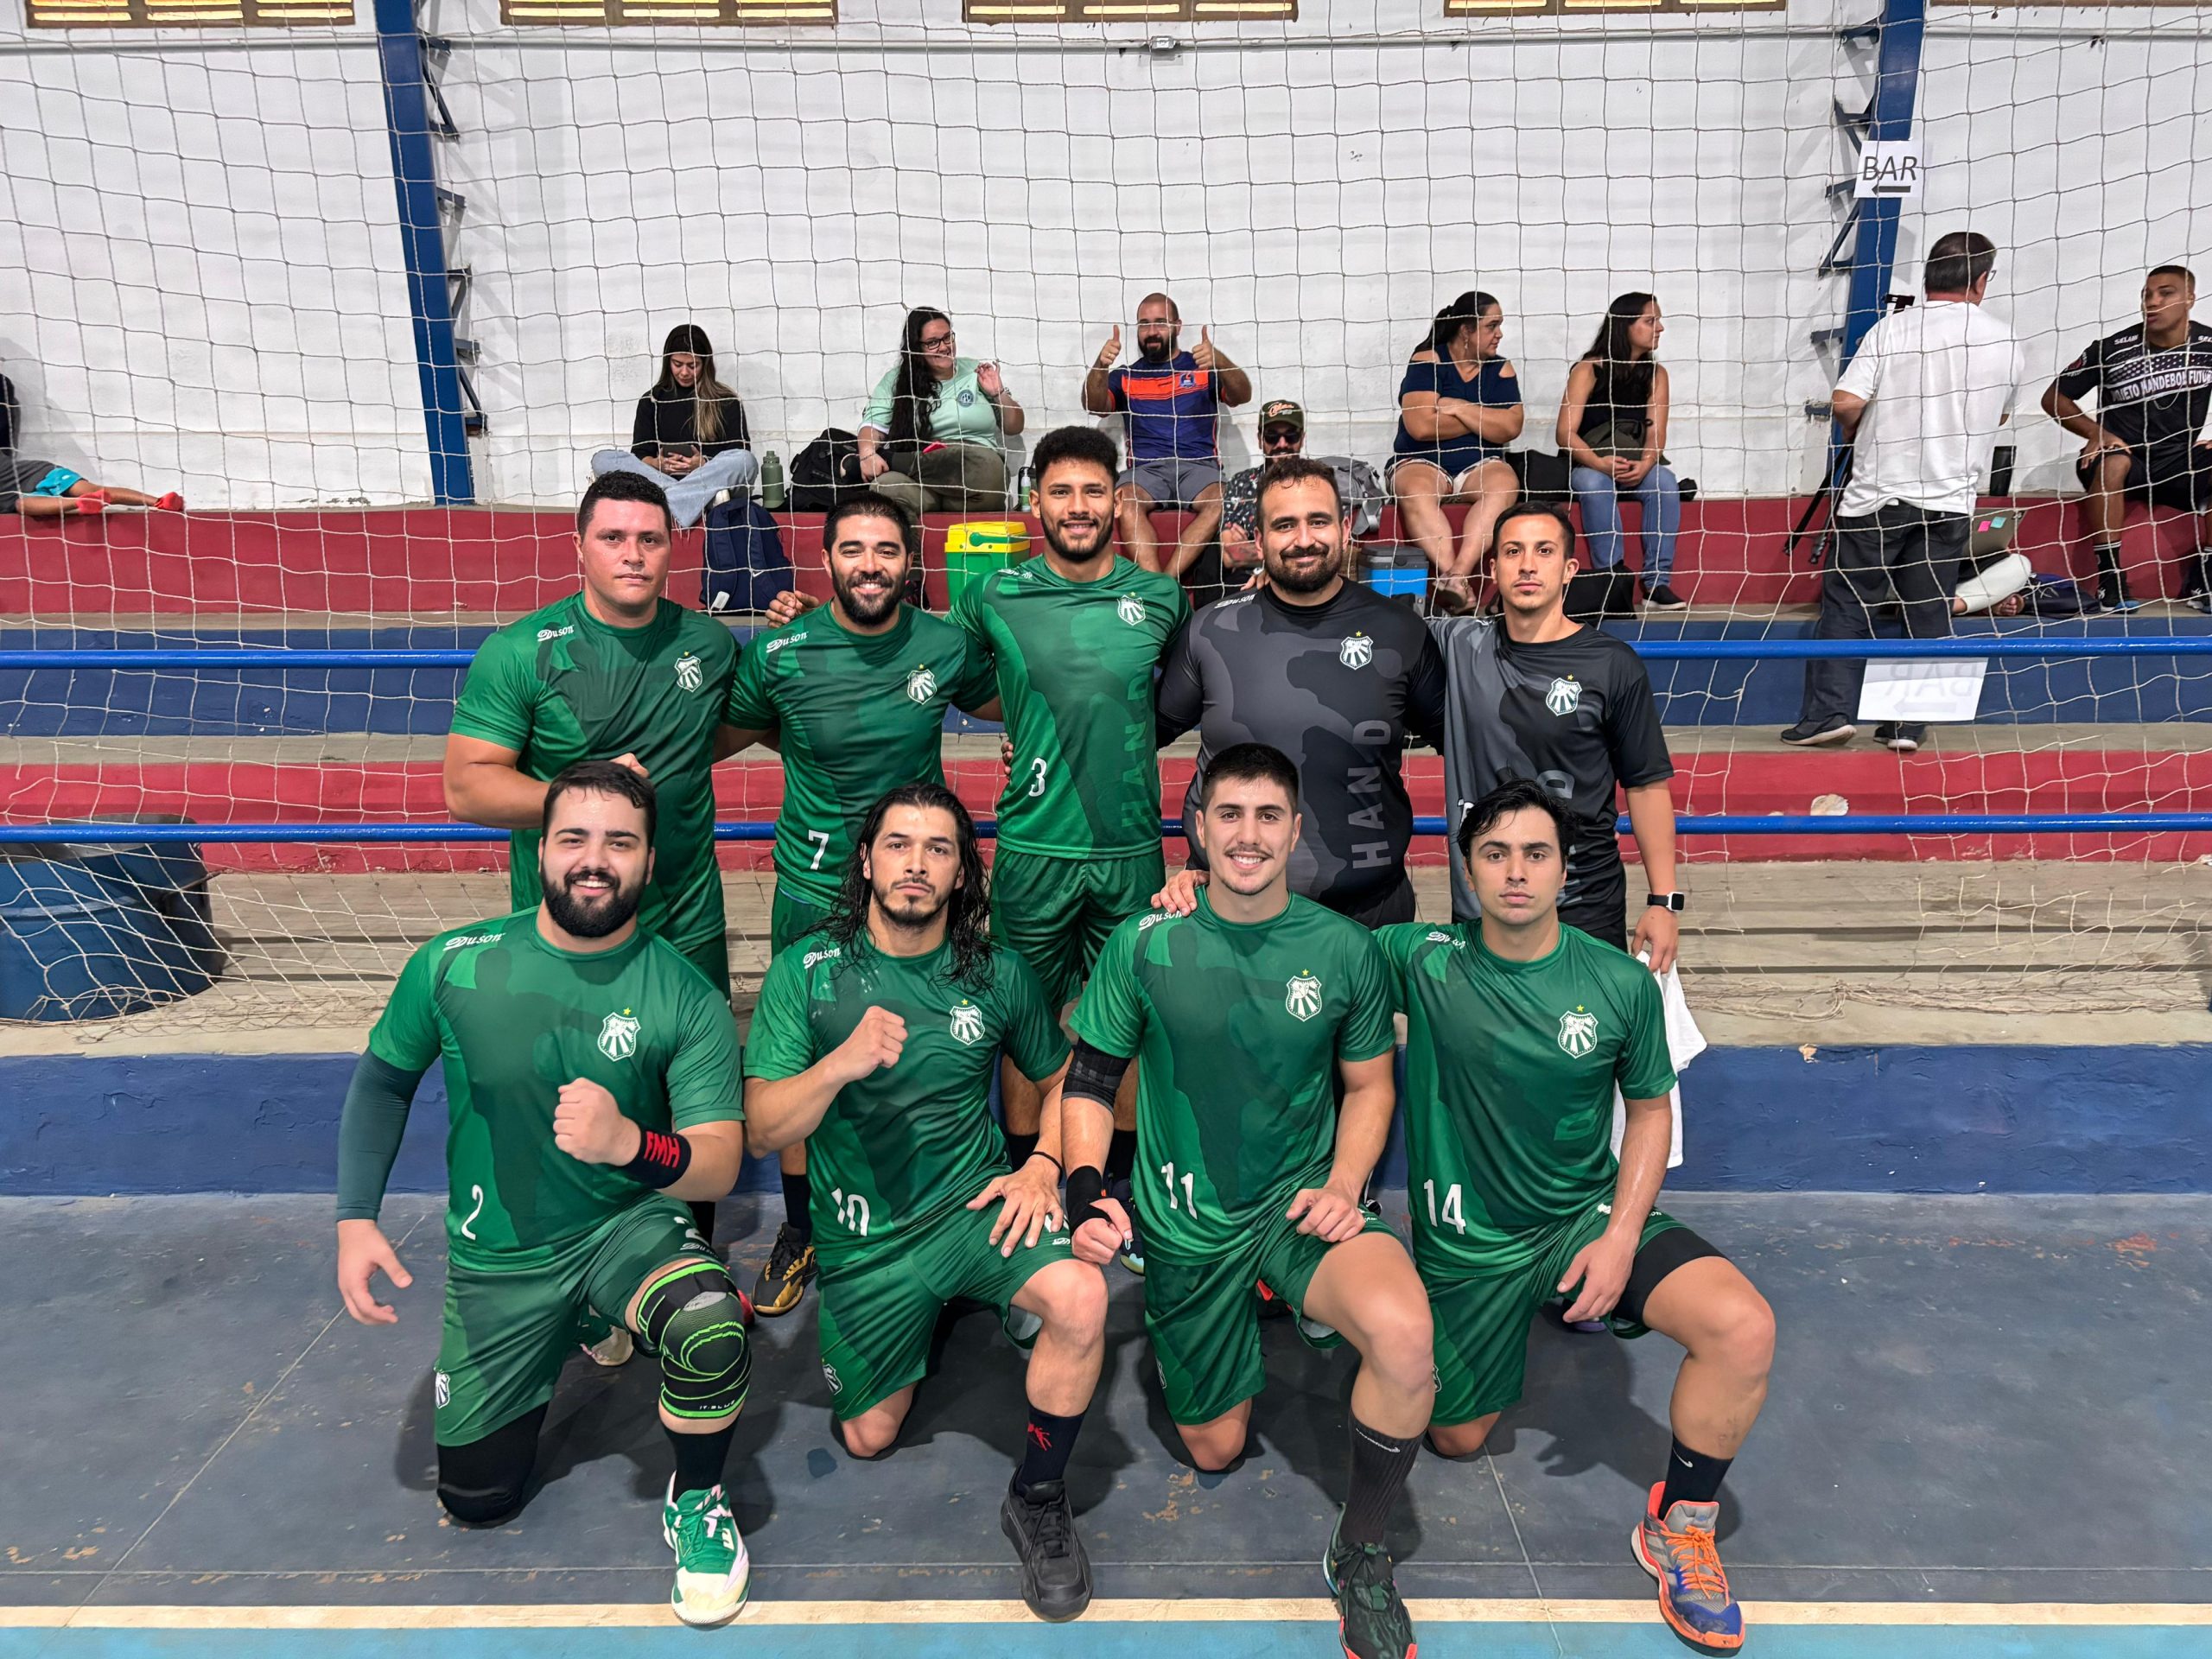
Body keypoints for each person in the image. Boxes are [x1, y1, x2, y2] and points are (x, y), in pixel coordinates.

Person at [334, 763, 755, 1628]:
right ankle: (582, 1323)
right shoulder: (452, 965)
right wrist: (354, 1220)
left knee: (711, 1324)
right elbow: (381, 1086)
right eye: (574, 838)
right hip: (500, 1259)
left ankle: (699, 1501)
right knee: (477, 1500)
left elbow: (718, 1163)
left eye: (618, 843)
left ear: (649, 861)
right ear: (540, 849)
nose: (593, 860)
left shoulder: (684, 992)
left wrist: (631, 1144)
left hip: (622, 1227)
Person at [1376, 779, 1775, 1656]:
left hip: (1578, 1217)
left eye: (1535, 854)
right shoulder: (1421, 959)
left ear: (1565, 870)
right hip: (1467, 1240)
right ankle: (1520, 1309)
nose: (1515, 872)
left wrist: (1618, 1236)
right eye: (1494, 854)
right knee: (1456, 1437)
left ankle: (1680, 1523)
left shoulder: (1618, 983)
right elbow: (1287, 942)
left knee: (1741, 1328)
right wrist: (1187, 888)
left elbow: (1650, 1112)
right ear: (1468, 870)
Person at [1061, 743, 1434, 1659]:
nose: (1248, 835)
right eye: (1229, 814)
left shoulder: (1342, 949)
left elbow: (1371, 1088)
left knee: (1403, 1334)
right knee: (1214, 1450)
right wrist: (1081, 1192)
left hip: (1296, 1205)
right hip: (1186, 1224)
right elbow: (1086, 1081)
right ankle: (1246, 1310)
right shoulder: (1145, 942)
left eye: (1269, 817)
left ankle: (1361, 1554)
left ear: (1296, 831)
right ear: (1196, 827)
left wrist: (1347, 1185)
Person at [742, 784, 1108, 1623]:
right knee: (867, 1437)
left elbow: (1060, 1077)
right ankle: (937, 1309)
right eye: (899, 845)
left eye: (937, 848)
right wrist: (837, 1065)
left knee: (1083, 1296)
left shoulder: (995, 971)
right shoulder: (807, 972)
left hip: (974, 1208)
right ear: (866, 862)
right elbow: (763, 1129)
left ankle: (1038, 1497)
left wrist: (1045, 1163)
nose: (915, 863)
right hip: (867, 1242)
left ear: (959, 873)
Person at [444, 469, 741, 1268]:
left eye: (650, 539)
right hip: (568, 936)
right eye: (613, 539)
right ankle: (583, 1280)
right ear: (579, 548)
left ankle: (686, 1265)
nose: (633, 556)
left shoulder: (708, 645)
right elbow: (467, 784)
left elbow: (733, 727)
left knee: (690, 1104)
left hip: (685, 919)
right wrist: (587, 802)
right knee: (571, 1098)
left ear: (672, 548)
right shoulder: (521, 651)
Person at [721, 492, 1001, 1319]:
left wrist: (1032, 739)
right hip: (815, 892)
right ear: (827, 559)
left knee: (939, 1050)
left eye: (886, 550)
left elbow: (1014, 702)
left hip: (921, 887)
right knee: (801, 1066)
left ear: (910, 561)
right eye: (853, 549)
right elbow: (728, 732)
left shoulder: (946, 645)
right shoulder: (783, 652)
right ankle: (803, 1227)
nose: (869, 565)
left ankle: (947, 1216)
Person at [950, 425, 1191, 1260]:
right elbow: (975, 686)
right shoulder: (994, 595)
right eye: (1062, 492)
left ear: (1115, 500)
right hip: (1032, 851)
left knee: (1122, 1026)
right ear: (1034, 503)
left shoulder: (1160, 601)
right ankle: (1029, 1181)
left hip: (1130, 853)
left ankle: (1111, 1187)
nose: (1078, 508)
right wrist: (1017, 728)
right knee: (1027, 1026)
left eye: (1094, 492)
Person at [1155, 457, 1448, 928]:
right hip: (1233, 908)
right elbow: (1140, 732)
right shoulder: (1212, 629)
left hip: (1368, 914)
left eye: (1318, 521)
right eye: (1285, 525)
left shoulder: (1399, 631)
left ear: (1346, 525)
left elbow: (1462, 744)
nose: (1304, 539)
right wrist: (1033, 742)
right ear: (1259, 539)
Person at [1783, 232, 2024, 753]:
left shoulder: (1894, 328)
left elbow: (1845, 401)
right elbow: (2000, 413)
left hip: (1880, 492)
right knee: (1927, 611)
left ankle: (1829, 716)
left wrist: (1869, 427)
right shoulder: (2005, 341)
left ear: (1928, 276)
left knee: (1849, 606)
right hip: (1951, 501)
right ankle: (1906, 726)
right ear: (1982, 280)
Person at [1429, 503, 1681, 963]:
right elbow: (1369, 628)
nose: (1527, 564)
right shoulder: (1457, 646)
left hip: (1583, 905)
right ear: (1494, 567)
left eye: (1543, 551)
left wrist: (1663, 901)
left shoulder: (1612, 663)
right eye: (1512, 551)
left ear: (1569, 570)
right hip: (1484, 908)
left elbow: (1645, 785)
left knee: (1582, 1034)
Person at [2042, 264, 2212, 610]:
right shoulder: (2112, 348)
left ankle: (2205, 580)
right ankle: (2111, 580)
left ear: (2190, 299)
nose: (2153, 302)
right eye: (2147, 295)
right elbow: (2053, 397)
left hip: (2178, 462)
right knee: (2115, 461)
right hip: (2122, 456)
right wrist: (2096, 432)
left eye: (2166, 293)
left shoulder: (2209, 346)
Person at [1082, 293, 1253, 577]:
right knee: (1125, 501)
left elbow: (1242, 395)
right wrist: (1100, 365)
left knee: (1223, 498)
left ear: (1177, 326)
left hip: (1199, 467)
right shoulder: (1126, 375)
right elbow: (1093, 404)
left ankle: (1167, 583)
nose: (1151, 332)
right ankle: (1157, 585)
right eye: (1144, 324)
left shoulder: (1202, 369)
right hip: (1146, 472)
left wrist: (1220, 360)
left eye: (1160, 323)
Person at [1388, 290, 1524, 591]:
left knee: (1504, 483)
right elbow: (1421, 426)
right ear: (1467, 330)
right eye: (1492, 326)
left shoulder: (1501, 368)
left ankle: (1458, 573)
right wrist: (1486, 422)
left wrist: (1461, 408)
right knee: (1416, 490)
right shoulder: (1428, 360)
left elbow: (1511, 427)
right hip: (1422, 461)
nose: (1499, 334)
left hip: (1480, 465)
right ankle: (1452, 578)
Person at [1560, 294, 1686, 611]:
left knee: (1664, 482)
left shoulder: (1656, 374)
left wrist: (1645, 465)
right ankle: (1611, 580)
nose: (1660, 328)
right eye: (1650, 321)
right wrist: (1599, 463)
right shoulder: (1589, 368)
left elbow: (1657, 433)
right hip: (1590, 460)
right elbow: (1565, 434)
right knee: (1593, 484)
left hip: (1633, 461)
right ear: (1625, 326)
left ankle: (1657, 584)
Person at [859, 308, 1023, 521]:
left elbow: (1014, 427)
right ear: (916, 348)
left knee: (987, 464)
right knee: (885, 486)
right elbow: (872, 426)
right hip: (924, 487)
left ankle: (895, 460)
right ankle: (912, 554)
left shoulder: (976, 372)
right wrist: (867, 455)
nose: (944, 347)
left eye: (948, 338)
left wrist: (998, 393)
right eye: (933, 342)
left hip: (975, 483)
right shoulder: (897, 380)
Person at [591, 324, 760, 529]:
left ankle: (665, 501)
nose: (684, 372)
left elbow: (740, 452)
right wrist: (655, 463)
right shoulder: (652, 400)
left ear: (705, 364)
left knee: (746, 461)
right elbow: (639, 453)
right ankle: (691, 500)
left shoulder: (726, 399)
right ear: (667, 362)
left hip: (710, 480)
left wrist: (703, 463)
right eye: (678, 364)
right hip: (661, 478)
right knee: (603, 459)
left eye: (693, 365)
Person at [1, 451, 181, 517]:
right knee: (23, 505)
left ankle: (83, 501)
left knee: (89, 490)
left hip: (40, 475)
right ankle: (159, 501)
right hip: (29, 487)